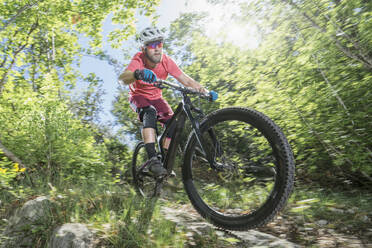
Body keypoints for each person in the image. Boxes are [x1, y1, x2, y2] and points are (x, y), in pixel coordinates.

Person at [118, 26, 207, 178]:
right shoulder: (138, 59)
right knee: (150, 112)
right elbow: (123, 79)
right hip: (138, 96)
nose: (157, 49)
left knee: (174, 124)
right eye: (152, 45)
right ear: (144, 48)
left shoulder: (166, 61)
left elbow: (185, 79)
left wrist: (205, 91)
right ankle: (153, 159)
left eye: (159, 44)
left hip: (157, 98)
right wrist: (137, 73)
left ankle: (165, 160)